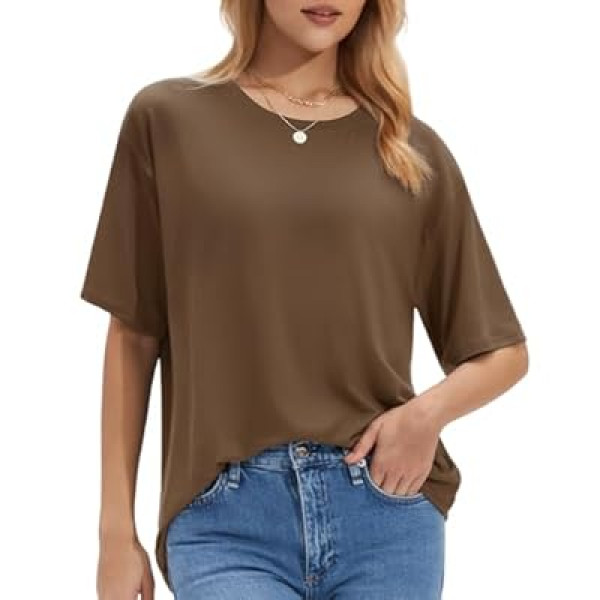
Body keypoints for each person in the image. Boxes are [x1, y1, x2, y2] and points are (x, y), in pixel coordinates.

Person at [81, 1, 529, 598]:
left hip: (384, 512)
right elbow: (134, 332)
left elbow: (503, 353)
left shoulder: (408, 148)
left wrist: (425, 417)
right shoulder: (168, 119)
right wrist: (116, 532)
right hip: (224, 521)